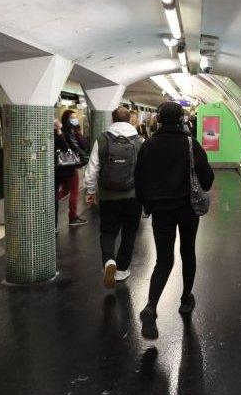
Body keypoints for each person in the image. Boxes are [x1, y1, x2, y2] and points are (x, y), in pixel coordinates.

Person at [135, 101, 214, 338]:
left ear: (158, 119)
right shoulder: (190, 143)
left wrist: (148, 205)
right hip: (187, 208)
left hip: (161, 211)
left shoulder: (148, 145)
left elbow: (139, 180)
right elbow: (207, 179)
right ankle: (185, 299)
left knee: (164, 259)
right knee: (187, 252)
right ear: (182, 119)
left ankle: (151, 306)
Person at [84, 106, 144, 289]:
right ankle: (122, 269)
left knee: (108, 232)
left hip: (108, 197)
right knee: (129, 233)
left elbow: (92, 169)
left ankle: (109, 260)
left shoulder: (102, 140)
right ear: (130, 120)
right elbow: (146, 171)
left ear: (112, 119)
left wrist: (90, 191)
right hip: (133, 197)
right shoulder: (140, 141)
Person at [54, 119, 87, 232]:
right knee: (73, 191)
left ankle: (53, 220)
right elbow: (67, 147)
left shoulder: (57, 133)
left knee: (65, 191)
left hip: (58, 168)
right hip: (68, 167)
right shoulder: (68, 133)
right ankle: (72, 217)